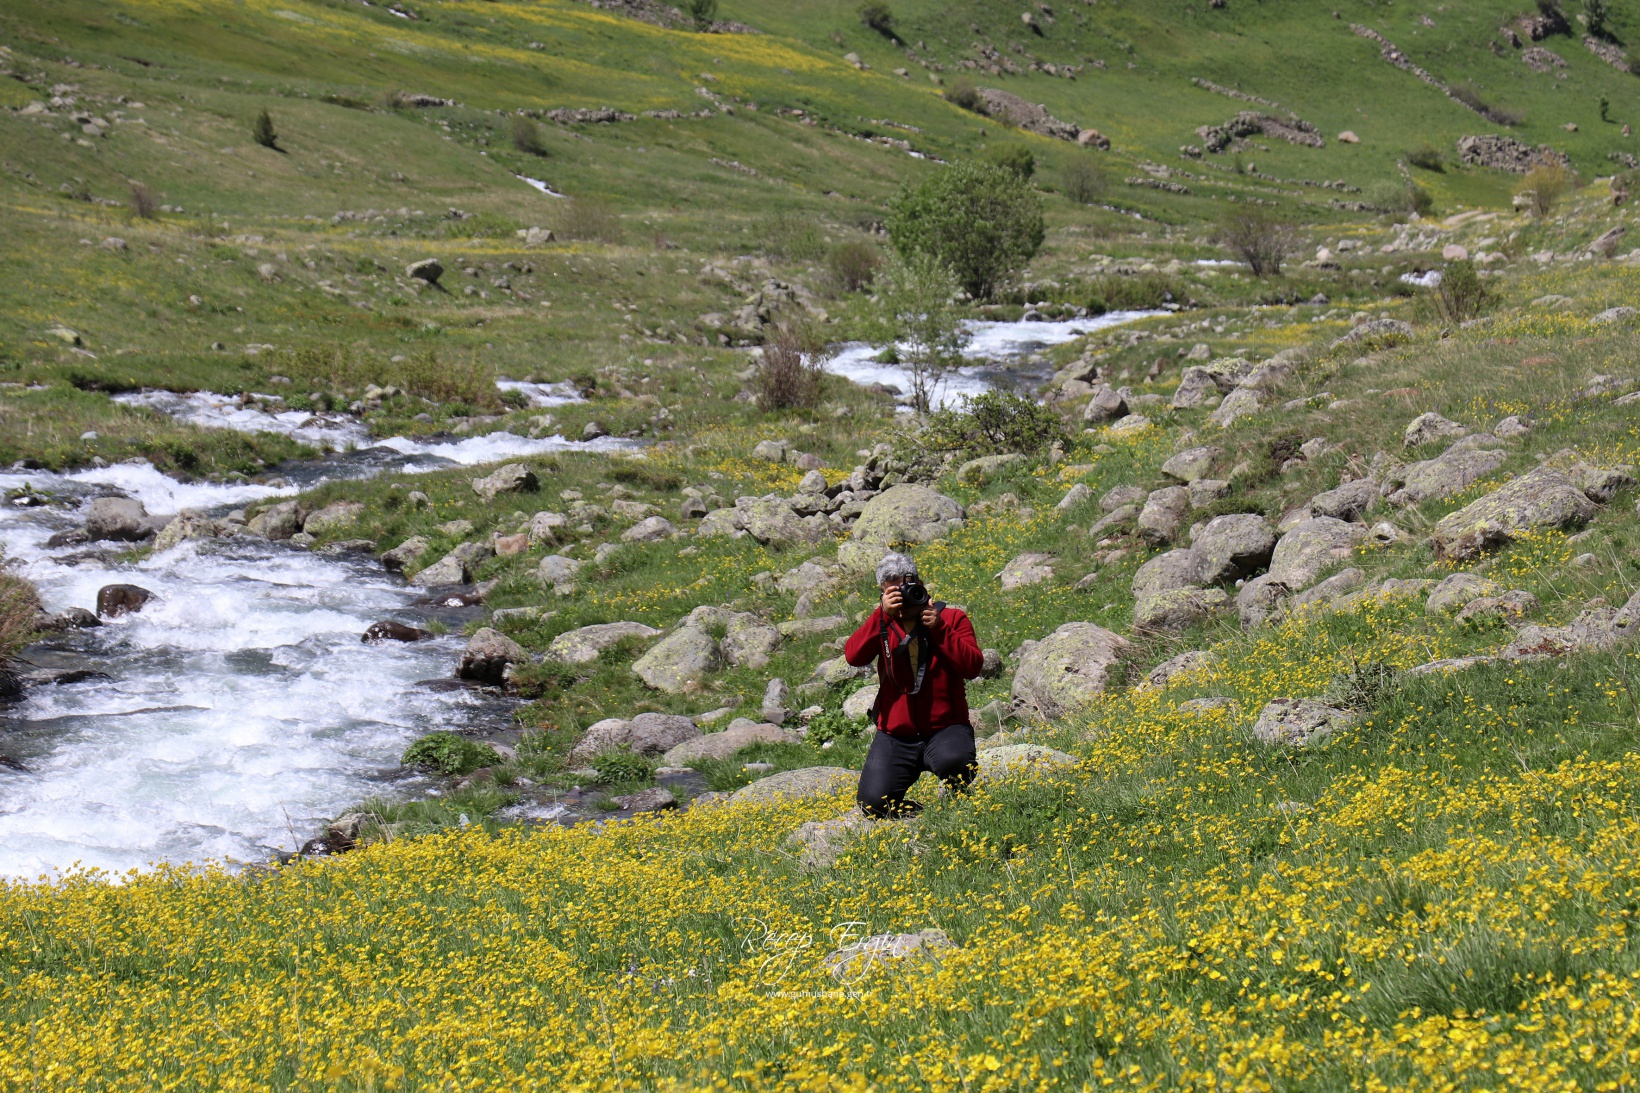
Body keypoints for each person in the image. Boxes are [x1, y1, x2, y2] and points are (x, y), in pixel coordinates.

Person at [843, 551, 984, 818]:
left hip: (945, 726)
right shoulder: (882, 624)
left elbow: (973, 666)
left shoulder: (951, 619)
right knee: (872, 803)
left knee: (956, 763)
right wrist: (881, 617)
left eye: (908, 587)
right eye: (894, 590)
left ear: (919, 583)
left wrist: (940, 629)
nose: (904, 596)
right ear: (883, 592)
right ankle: (923, 814)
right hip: (895, 734)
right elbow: (853, 656)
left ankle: (958, 799)